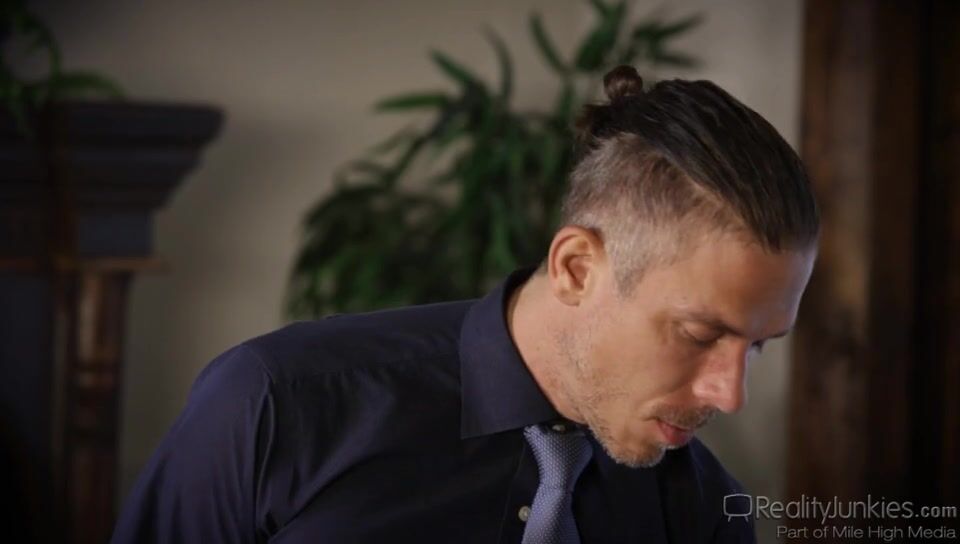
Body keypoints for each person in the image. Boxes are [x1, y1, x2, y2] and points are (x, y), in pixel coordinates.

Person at [111, 65, 818, 544]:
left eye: (757, 344)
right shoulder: (275, 407)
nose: (731, 394)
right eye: (699, 334)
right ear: (576, 268)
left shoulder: (704, 513)